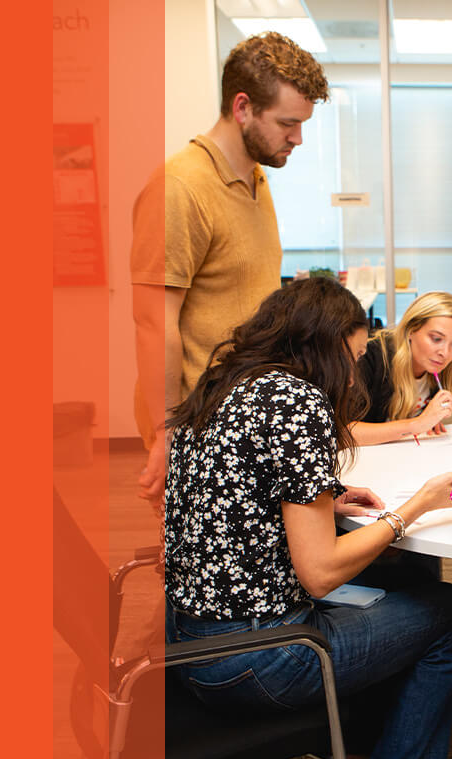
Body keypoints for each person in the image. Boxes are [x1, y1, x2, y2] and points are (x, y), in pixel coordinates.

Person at [164, 277, 452, 759]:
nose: (355, 377)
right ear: (328, 346)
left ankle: (345, 757)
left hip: (186, 640)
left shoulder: (225, 383)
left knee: (401, 581)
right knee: (447, 610)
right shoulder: (297, 401)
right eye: (354, 358)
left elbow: (233, 493)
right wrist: (415, 508)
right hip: (258, 656)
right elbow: (319, 574)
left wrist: (325, 500)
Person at [132, 31, 330, 509]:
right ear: (242, 107)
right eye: (287, 123)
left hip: (248, 417)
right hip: (199, 427)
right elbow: (152, 322)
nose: (298, 138)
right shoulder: (179, 188)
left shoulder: (256, 175)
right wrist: (164, 433)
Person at [351, 292, 452, 445]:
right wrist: (417, 424)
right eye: (436, 339)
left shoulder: (436, 371)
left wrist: (430, 420)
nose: (445, 353)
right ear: (411, 330)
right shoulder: (370, 357)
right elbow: (344, 433)